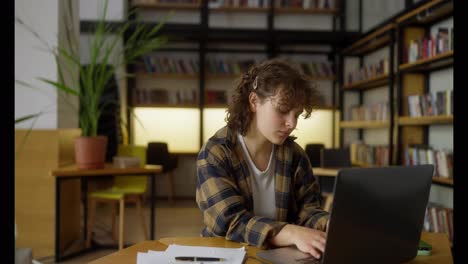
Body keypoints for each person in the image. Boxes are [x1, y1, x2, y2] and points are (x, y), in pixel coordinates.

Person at [196, 58, 329, 259]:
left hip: (280, 258)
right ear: (253, 101)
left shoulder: (295, 155)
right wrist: (291, 232)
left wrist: (333, 224)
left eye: (297, 114)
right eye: (283, 110)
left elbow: (308, 211)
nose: (291, 123)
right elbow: (229, 222)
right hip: (227, 257)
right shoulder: (216, 153)